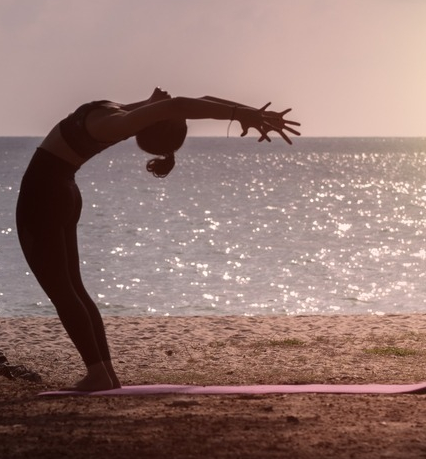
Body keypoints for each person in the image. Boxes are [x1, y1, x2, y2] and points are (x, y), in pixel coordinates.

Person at [16, 87, 300, 391]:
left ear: (154, 120)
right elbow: (200, 101)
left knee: (62, 291)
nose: (168, 100)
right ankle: (104, 373)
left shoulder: (118, 124)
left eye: (164, 112)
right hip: (62, 191)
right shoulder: (124, 115)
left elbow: (178, 105)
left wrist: (244, 115)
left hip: (43, 195)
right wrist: (253, 113)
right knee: (74, 289)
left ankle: (98, 373)